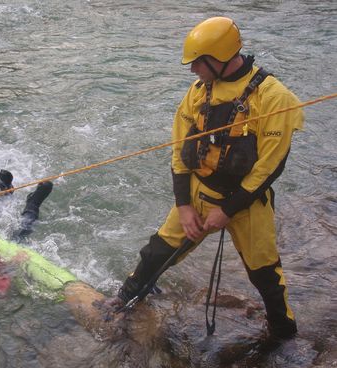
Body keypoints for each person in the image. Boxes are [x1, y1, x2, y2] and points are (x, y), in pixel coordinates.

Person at [107, 17, 304, 340]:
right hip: (198, 195)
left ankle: (284, 335)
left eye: (198, 62)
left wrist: (227, 210)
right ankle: (122, 301)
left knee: (266, 276)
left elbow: (270, 167)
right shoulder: (198, 93)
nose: (192, 70)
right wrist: (184, 207)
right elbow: (179, 152)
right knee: (155, 254)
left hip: (247, 204)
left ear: (220, 58)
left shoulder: (273, 98)